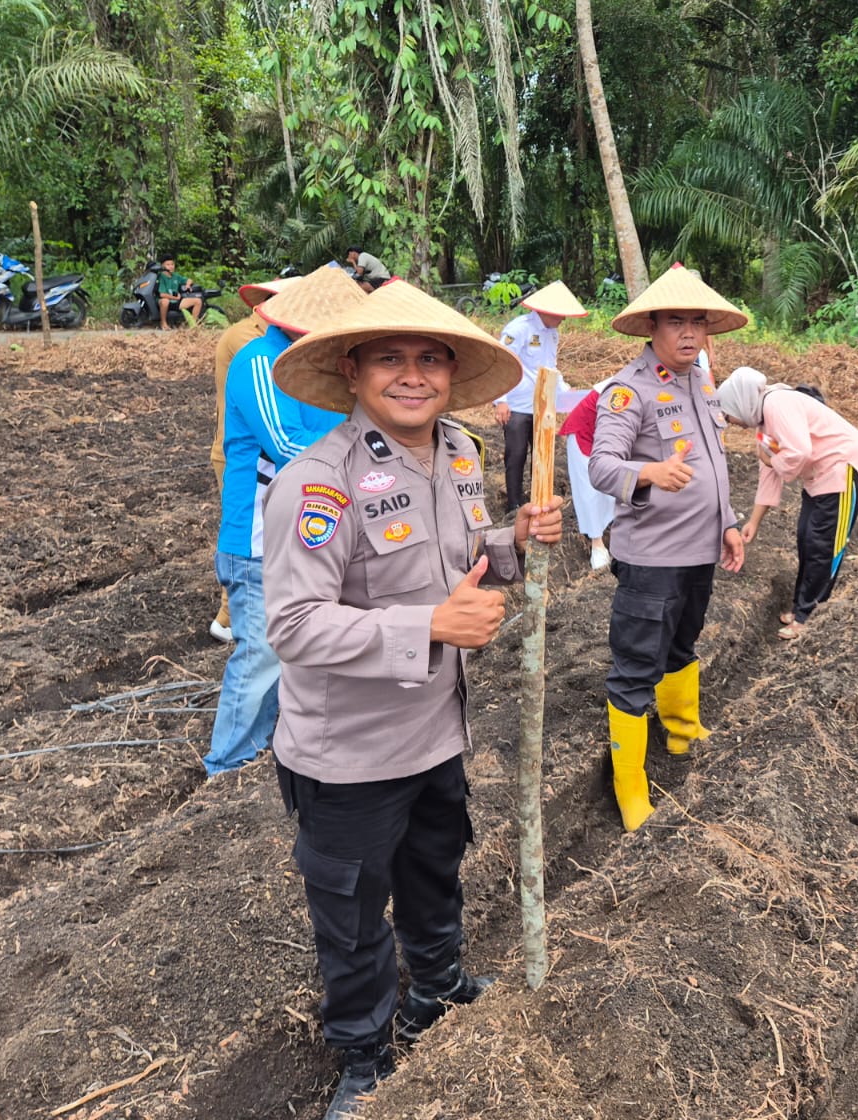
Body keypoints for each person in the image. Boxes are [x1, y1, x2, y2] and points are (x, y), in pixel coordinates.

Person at [263, 278, 563, 1119]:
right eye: (390, 358)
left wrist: (513, 542)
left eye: (430, 358)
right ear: (353, 372)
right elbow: (293, 625)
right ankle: (363, 1056)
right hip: (349, 752)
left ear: (451, 371)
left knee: (435, 871)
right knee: (354, 912)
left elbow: (457, 557)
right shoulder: (319, 483)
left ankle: (438, 987)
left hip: (436, 731)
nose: (413, 374)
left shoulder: (461, 454)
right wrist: (429, 624)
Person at [589, 264, 747, 832]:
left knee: (684, 641)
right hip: (652, 556)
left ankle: (683, 732)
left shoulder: (700, 382)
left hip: (700, 549)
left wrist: (727, 522)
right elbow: (601, 465)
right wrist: (650, 471)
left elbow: (716, 464)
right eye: (675, 321)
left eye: (697, 323)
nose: (688, 333)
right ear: (652, 327)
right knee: (636, 666)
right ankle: (629, 788)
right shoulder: (630, 390)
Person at [206, 265, 363, 777]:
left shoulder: (329, 370)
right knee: (262, 656)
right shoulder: (259, 360)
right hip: (259, 536)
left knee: (302, 648)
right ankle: (227, 763)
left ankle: (272, 746)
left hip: (315, 531)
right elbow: (288, 447)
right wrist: (367, 473)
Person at [717, 368, 858, 639]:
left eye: (728, 414)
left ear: (739, 402)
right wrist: (754, 522)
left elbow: (797, 453)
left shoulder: (776, 403)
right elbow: (768, 469)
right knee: (807, 536)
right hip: (822, 477)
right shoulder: (763, 422)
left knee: (824, 544)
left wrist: (771, 460)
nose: (730, 421)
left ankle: (808, 615)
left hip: (845, 470)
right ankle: (800, 607)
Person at [206, 276, 297, 643]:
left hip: (265, 449)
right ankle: (229, 619)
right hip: (247, 454)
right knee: (250, 538)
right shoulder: (252, 343)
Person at [492, 281, 585, 514]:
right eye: (560, 314)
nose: (563, 318)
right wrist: (500, 400)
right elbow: (502, 363)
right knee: (516, 454)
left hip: (542, 404)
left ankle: (538, 498)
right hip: (516, 404)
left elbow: (549, 366)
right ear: (546, 310)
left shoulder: (552, 334)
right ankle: (513, 503)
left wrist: (564, 389)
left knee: (542, 454)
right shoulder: (519, 329)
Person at [557, 380, 616, 571]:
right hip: (585, 433)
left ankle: (618, 534)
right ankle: (597, 545)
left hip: (610, 435)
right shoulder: (628, 385)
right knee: (590, 489)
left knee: (615, 485)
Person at [155, 256, 202, 329]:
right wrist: (175, 297)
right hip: (165, 300)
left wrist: (187, 284)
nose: (171, 266)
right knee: (165, 301)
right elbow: (162, 294)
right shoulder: (161, 276)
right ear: (163, 266)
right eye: (168, 265)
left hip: (176, 301)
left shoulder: (176, 276)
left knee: (198, 301)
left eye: (172, 264)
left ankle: (193, 325)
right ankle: (163, 323)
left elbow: (189, 280)